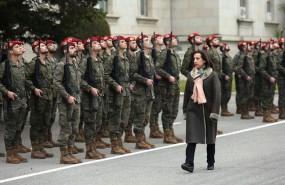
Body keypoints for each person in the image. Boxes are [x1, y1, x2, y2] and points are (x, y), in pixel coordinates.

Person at [181, 50, 221, 173]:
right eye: (194, 58)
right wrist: (185, 110)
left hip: (208, 110)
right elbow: (187, 94)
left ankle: (210, 161)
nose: (195, 61)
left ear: (204, 60)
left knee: (210, 137)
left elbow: (217, 95)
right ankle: (189, 163)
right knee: (192, 137)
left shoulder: (212, 75)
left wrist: (214, 112)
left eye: (198, 58)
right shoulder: (191, 75)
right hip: (193, 109)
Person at [0, 40, 28, 164]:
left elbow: (25, 82)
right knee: (10, 128)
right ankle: (9, 154)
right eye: (16, 47)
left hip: (21, 101)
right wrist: (6, 92)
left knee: (18, 127)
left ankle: (15, 151)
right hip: (11, 102)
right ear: (11, 51)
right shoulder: (5, 65)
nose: (20, 48)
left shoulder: (21, 64)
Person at [26, 40, 54, 159]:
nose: (44, 47)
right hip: (38, 97)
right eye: (42, 45)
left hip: (48, 97)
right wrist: (34, 89)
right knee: (36, 124)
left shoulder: (47, 62)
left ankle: (41, 147)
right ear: (36, 50)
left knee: (45, 123)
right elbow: (26, 79)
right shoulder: (33, 63)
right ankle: (35, 149)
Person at [155, 33, 184, 144]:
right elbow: (157, 68)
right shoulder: (164, 54)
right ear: (167, 42)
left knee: (174, 110)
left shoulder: (175, 54)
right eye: (173, 39)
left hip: (175, 84)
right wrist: (168, 76)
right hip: (167, 85)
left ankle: (171, 132)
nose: (175, 40)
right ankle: (167, 134)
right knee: (167, 109)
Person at [129, 34, 155, 149]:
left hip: (149, 91)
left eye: (149, 40)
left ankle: (143, 138)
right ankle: (139, 141)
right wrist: (144, 80)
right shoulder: (137, 57)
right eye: (146, 40)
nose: (149, 41)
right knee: (140, 116)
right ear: (140, 44)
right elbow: (132, 73)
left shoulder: (149, 57)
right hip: (140, 92)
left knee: (146, 117)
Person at [149, 33, 164, 139]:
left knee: (158, 106)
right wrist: (155, 74)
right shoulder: (153, 52)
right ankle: (153, 129)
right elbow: (152, 66)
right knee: (155, 107)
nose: (162, 39)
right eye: (159, 38)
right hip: (156, 83)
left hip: (162, 82)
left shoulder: (161, 52)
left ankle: (156, 127)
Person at [236, 41, 255, 119]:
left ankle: (247, 112)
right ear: (244, 48)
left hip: (250, 79)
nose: (250, 47)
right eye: (248, 46)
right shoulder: (242, 56)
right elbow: (239, 68)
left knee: (249, 96)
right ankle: (244, 113)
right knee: (244, 96)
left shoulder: (249, 56)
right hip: (245, 80)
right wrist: (246, 76)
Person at [220, 43, 234, 116]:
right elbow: (219, 68)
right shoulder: (222, 57)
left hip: (230, 77)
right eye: (226, 46)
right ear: (222, 48)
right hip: (224, 78)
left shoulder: (229, 57)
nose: (228, 46)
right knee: (225, 94)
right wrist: (224, 75)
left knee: (228, 94)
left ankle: (226, 109)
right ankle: (223, 110)